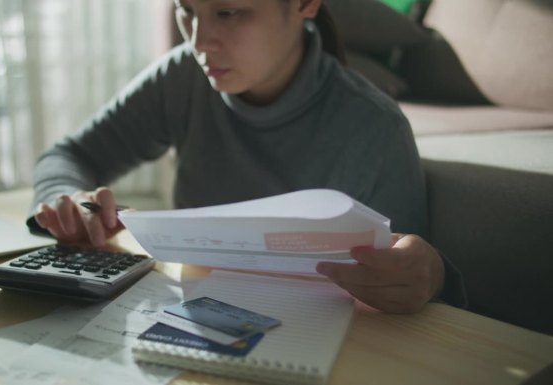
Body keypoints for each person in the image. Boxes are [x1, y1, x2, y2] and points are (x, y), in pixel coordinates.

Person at [29, 0, 466, 313]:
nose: (201, 41)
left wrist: (428, 275)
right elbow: (69, 155)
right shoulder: (183, 77)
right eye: (186, 10)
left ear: (305, 5)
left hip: (316, 339)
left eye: (228, 12)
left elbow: (411, 276)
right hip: (192, 317)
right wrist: (69, 198)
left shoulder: (373, 127)